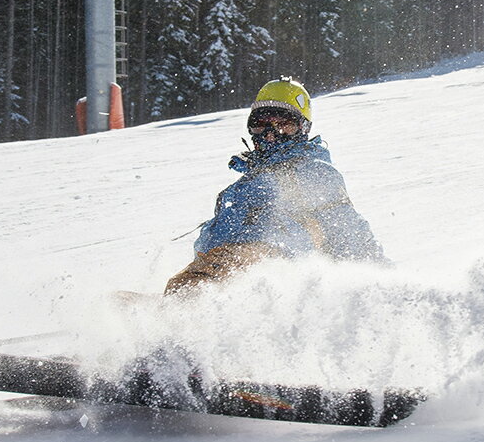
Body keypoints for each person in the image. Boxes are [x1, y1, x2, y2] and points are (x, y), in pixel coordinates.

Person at [164, 77, 384, 294]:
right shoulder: (248, 181)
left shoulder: (314, 171)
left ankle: (190, 301)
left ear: (303, 128)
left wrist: (380, 283)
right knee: (179, 287)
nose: (270, 134)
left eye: (283, 125)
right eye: (260, 125)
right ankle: (180, 306)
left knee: (191, 287)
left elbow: (350, 231)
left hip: (277, 271)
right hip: (220, 270)